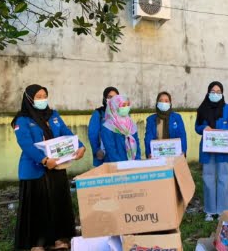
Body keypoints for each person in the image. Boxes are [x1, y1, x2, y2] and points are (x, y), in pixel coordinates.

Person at [11, 84, 86, 251]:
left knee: (58, 203)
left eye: (44, 95)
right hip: (34, 169)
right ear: (29, 99)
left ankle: (59, 239)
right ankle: (37, 243)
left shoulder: (54, 115)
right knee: (38, 206)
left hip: (57, 167)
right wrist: (44, 160)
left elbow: (66, 133)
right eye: (38, 96)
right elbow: (26, 144)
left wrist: (80, 146)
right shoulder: (22, 120)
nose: (42, 99)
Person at [195, 81, 228, 222]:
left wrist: (220, 125)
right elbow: (197, 127)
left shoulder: (227, 108)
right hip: (207, 149)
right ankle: (209, 210)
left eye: (218, 91)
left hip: (223, 149)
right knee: (208, 178)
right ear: (208, 93)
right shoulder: (202, 109)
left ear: (222, 93)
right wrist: (204, 128)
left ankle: (222, 210)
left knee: (223, 178)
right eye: (213, 91)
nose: (215, 94)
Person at [144, 91, 187, 158]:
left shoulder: (176, 117)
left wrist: (183, 151)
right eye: (161, 101)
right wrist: (149, 153)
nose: (163, 103)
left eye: (166, 101)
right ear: (157, 103)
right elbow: (148, 138)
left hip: (174, 155)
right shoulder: (151, 120)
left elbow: (182, 135)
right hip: (157, 155)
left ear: (170, 103)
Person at [101, 95, 141, 162]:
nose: (126, 107)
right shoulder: (108, 126)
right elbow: (111, 150)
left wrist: (137, 161)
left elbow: (137, 144)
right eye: (123, 105)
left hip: (133, 165)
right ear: (115, 106)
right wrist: (123, 166)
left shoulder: (131, 124)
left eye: (128, 105)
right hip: (116, 166)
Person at [88, 86, 119, 166]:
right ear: (105, 99)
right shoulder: (99, 113)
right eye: (110, 97)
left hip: (119, 155)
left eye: (116, 97)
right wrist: (97, 150)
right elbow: (93, 134)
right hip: (103, 155)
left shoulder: (121, 114)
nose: (113, 100)